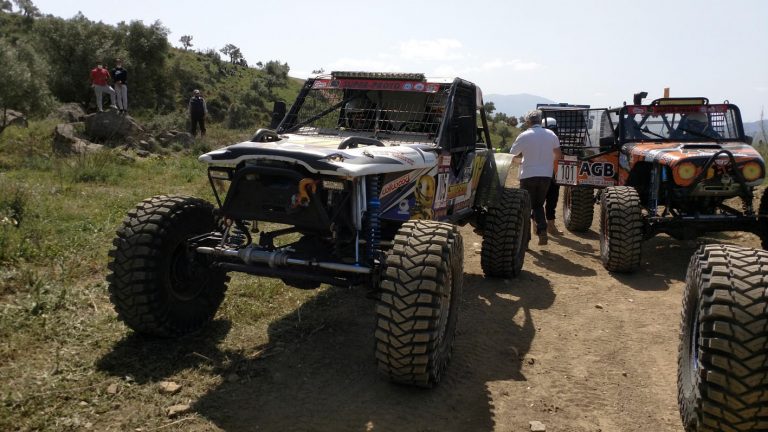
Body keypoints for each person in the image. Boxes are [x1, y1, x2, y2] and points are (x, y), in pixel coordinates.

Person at [509, 110, 563, 245]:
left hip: (528, 175)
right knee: (538, 205)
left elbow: (512, 155)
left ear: (528, 122)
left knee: (525, 207)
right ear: (540, 121)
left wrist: (519, 162)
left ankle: (525, 241)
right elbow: (558, 154)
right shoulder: (551, 134)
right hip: (546, 176)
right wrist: (549, 163)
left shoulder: (524, 135)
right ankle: (542, 230)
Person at [542, 117, 564, 235]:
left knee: (551, 200)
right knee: (547, 200)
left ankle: (549, 226)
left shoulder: (554, 138)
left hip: (551, 172)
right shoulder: (553, 138)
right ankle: (543, 226)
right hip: (548, 172)